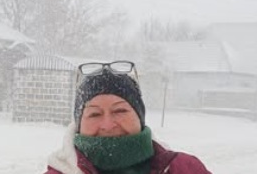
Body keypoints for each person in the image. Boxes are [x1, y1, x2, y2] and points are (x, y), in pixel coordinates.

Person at [44, 61, 213, 174]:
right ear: (79, 124)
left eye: (120, 111)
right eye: (94, 114)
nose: (107, 125)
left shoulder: (185, 169)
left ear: (139, 117)